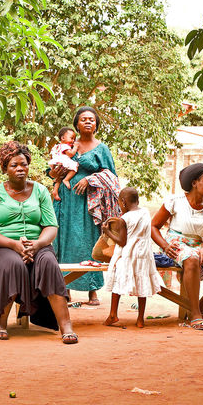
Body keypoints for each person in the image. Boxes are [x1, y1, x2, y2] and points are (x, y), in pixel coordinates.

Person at [0, 141, 78, 344]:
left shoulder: (40, 191)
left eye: (23, 164)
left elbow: (51, 226)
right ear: (5, 168)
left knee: (48, 262)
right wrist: (13, 245)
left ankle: (66, 325)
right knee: (12, 263)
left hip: (37, 244)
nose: (20, 168)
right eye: (14, 165)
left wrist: (38, 244)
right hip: (2, 246)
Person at [150, 162, 203, 330]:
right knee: (191, 258)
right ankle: (195, 314)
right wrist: (165, 246)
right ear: (194, 183)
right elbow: (153, 226)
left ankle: (201, 304)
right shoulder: (175, 201)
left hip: (199, 245)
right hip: (175, 245)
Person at [51, 107, 120, 308]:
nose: (88, 122)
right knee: (64, 240)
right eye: (83, 119)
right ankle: (65, 288)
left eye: (91, 119)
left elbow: (112, 176)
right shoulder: (66, 145)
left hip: (90, 204)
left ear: (96, 124)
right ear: (77, 124)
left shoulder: (102, 149)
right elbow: (51, 169)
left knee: (88, 240)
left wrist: (90, 179)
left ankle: (92, 290)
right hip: (65, 200)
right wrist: (54, 172)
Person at [104, 187, 162, 329]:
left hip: (128, 256)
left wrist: (107, 232)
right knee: (142, 284)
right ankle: (140, 319)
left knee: (117, 280)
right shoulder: (145, 212)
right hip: (144, 255)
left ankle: (113, 314)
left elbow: (122, 242)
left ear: (123, 202)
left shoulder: (124, 219)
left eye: (119, 203)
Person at [48, 126, 78, 202]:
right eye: (71, 138)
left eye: (74, 139)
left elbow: (51, 155)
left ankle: (55, 191)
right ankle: (66, 179)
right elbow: (70, 154)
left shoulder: (57, 146)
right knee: (75, 167)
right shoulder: (65, 146)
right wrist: (75, 147)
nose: (73, 141)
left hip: (57, 164)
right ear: (63, 138)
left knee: (59, 178)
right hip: (63, 162)